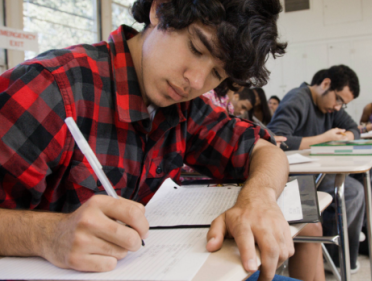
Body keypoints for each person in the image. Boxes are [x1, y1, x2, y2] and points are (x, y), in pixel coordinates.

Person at [0, 1, 297, 280]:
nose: (195, 81)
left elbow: (264, 149)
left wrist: (259, 197)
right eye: (196, 48)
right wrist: (48, 235)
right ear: (159, 8)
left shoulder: (185, 108)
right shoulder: (49, 88)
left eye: (217, 73)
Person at [268, 65, 372, 274]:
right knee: (352, 192)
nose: (339, 107)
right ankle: (333, 251)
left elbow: (353, 128)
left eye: (343, 104)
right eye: (339, 100)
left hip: (317, 169)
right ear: (326, 84)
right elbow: (276, 140)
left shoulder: (329, 107)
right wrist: (322, 139)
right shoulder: (298, 99)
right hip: (296, 175)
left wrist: (347, 136)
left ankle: (348, 240)